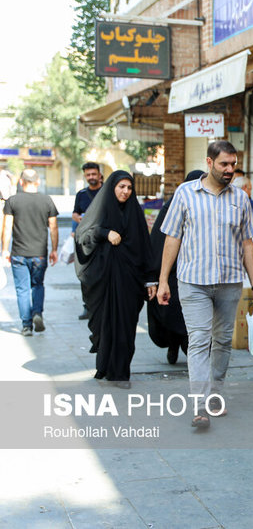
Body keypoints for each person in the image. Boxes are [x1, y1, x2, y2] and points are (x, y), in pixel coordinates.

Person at [157, 140, 253, 429]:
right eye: (224, 164)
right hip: (193, 281)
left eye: (233, 164)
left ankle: (215, 393)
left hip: (230, 282)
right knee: (199, 339)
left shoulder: (240, 198)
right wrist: (163, 279)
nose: (230, 169)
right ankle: (200, 404)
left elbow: (247, 243)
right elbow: (172, 238)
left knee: (222, 341)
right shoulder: (185, 194)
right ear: (209, 162)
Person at [74, 171, 156, 389]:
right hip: (104, 282)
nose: (125, 191)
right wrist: (105, 232)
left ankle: (120, 373)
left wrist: (151, 279)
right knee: (105, 325)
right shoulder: (100, 210)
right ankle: (104, 366)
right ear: (112, 188)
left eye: (129, 188)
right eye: (121, 187)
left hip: (130, 283)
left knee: (125, 328)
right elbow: (83, 236)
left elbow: (145, 248)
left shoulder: (135, 214)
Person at [147, 170, 204, 365]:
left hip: (192, 271)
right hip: (171, 272)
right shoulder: (171, 207)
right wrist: (156, 276)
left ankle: (190, 352)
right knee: (174, 313)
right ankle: (174, 345)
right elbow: (158, 241)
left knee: (190, 315)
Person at [1, 170, 58, 336]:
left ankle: (26, 325)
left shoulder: (12, 201)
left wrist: (5, 250)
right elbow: (53, 227)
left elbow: (7, 227)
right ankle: (37, 313)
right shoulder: (47, 200)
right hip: (39, 253)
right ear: (38, 182)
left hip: (18, 253)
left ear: (21, 182)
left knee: (22, 289)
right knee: (38, 285)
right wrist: (54, 250)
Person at [74, 162, 104, 320]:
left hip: (104, 241)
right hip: (86, 242)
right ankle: (87, 306)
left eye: (94, 174)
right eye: (88, 175)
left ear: (99, 174)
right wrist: (79, 220)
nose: (91, 177)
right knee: (85, 275)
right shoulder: (81, 194)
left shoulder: (107, 192)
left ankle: (103, 305)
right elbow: (75, 213)